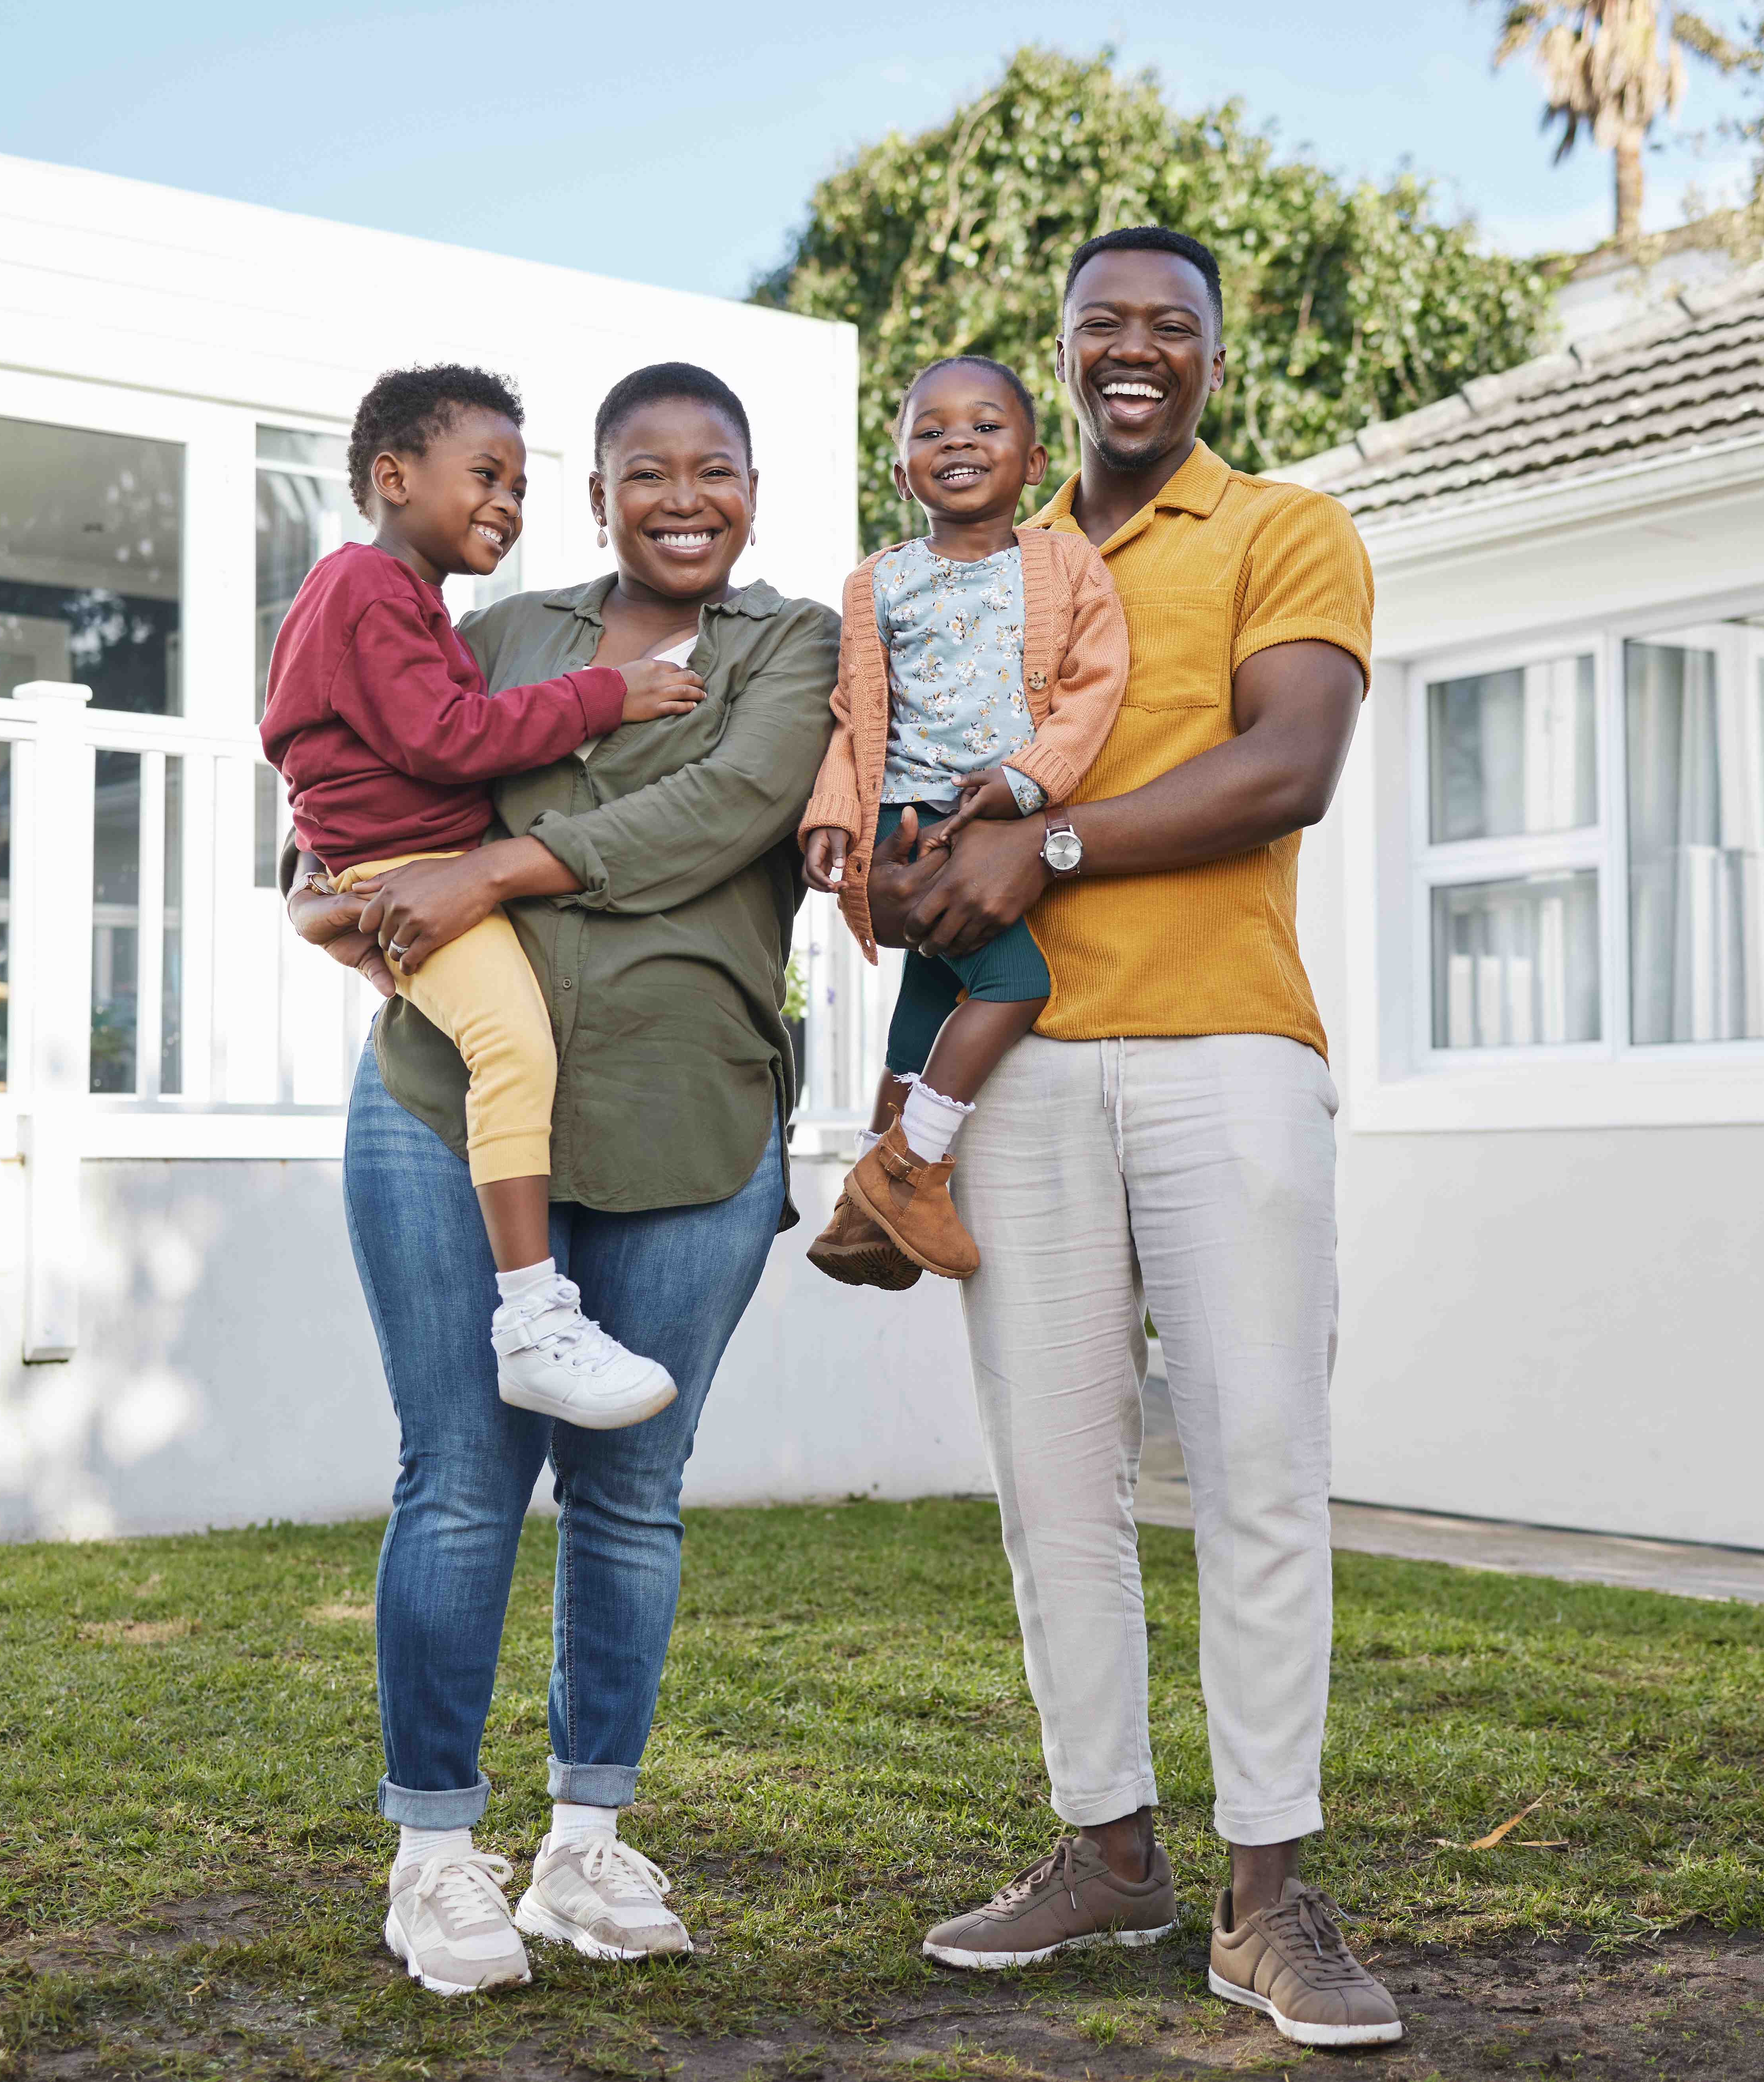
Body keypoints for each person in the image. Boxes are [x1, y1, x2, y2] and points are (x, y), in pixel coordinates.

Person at [879, 229, 1405, 2049]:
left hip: (1221, 1051)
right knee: (1051, 1481)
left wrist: (1062, 844)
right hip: (1008, 1064)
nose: (1128, 352)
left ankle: (1268, 1901)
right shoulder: (988, 558)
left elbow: (1290, 766)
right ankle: (1104, 1844)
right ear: (1055, 349)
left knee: (1254, 1460)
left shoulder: (1280, 529)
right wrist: (892, 865)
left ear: (1207, 356)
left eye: (1163, 328)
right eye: (1095, 323)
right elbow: (907, 782)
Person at [284, 362, 837, 1998]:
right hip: (448, 1108)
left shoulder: (788, 648)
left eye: (714, 467)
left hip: (686, 1121)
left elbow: (723, 811)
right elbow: (352, 780)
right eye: (642, 469)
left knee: (629, 1496)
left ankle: (585, 1847)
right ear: (594, 496)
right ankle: (436, 1861)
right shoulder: (503, 632)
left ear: (751, 488)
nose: (682, 495)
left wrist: (496, 869)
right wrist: (340, 899)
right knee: (457, 1483)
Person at [262, 364, 709, 1431]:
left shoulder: (401, 603)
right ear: (393, 475)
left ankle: (536, 1310)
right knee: (514, 1047)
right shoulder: (369, 588)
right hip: (401, 870)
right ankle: (533, 1318)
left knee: (514, 1038)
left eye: (518, 486)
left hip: (386, 868)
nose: (506, 505)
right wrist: (612, 694)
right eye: (484, 476)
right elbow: (445, 739)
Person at [794, 354, 1126, 1286]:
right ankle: (907, 1171)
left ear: (1033, 462)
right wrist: (831, 811)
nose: (958, 443)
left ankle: (872, 1180)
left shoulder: (1066, 564)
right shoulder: (877, 584)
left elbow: (1093, 690)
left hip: (996, 811)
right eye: (930, 431)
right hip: (906, 819)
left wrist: (1027, 784)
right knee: (1015, 984)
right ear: (901, 473)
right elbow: (855, 716)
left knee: (934, 995)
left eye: (985, 426)